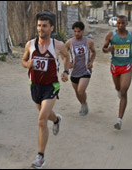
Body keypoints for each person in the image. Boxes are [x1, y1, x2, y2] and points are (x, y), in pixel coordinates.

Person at [21, 13, 70, 169]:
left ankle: (40, 157)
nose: (41, 29)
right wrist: (27, 64)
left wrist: (65, 72)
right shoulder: (30, 44)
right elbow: (23, 60)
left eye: (44, 26)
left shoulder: (58, 45)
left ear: (51, 27)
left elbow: (67, 58)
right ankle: (56, 120)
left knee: (41, 120)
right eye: (39, 25)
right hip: (35, 85)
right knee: (46, 114)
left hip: (51, 85)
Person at [102, 15, 132, 130]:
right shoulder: (111, 35)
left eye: (123, 23)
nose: (120, 25)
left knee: (124, 90)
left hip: (127, 65)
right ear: (116, 24)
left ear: (127, 23)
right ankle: (118, 90)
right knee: (118, 87)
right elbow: (103, 48)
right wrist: (108, 50)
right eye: (118, 23)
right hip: (115, 65)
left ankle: (119, 120)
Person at [65, 21, 96, 116]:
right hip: (74, 71)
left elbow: (94, 52)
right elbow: (64, 54)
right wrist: (68, 62)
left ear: (83, 31)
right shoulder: (69, 42)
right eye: (74, 31)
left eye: (78, 31)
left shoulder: (89, 42)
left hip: (85, 70)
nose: (76, 34)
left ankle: (84, 104)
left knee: (80, 90)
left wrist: (91, 62)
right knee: (77, 92)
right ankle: (83, 104)